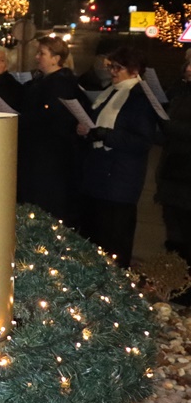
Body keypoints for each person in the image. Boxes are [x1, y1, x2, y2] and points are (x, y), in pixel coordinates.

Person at [75, 46, 161, 266]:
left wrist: (105, 134)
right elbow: (97, 123)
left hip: (120, 181)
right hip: (98, 176)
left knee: (114, 240)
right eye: (111, 67)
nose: (112, 72)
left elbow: (142, 141)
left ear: (134, 70)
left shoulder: (140, 98)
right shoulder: (111, 92)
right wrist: (87, 131)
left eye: (118, 68)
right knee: (93, 236)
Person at [16, 37, 84, 222]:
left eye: (42, 53)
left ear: (56, 58)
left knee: (44, 203)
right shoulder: (43, 80)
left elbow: (50, 116)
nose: (37, 57)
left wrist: (23, 120)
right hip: (38, 153)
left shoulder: (60, 83)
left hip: (48, 157)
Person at [157, 58, 191, 269]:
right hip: (173, 173)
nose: (188, 69)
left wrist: (168, 125)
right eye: (188, 64)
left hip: (186, 177)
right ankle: (174, 276)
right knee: (174, 229)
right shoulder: (181, 91)